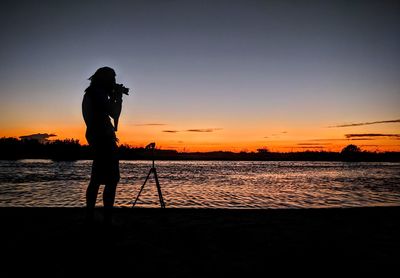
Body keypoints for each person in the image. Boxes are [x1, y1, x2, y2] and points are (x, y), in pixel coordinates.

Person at [82, 66, 125, 225]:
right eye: (112, 79)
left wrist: (113, 94)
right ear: (105, 79)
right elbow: (114, 113)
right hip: (103, 138)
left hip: (97, 137)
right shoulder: (97, 93)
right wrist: (118, 97)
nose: (114, 81)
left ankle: (90, 216)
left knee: (97, 179)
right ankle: (106, 218)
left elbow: (106, 111)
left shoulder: (92, 93)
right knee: (111, 180)